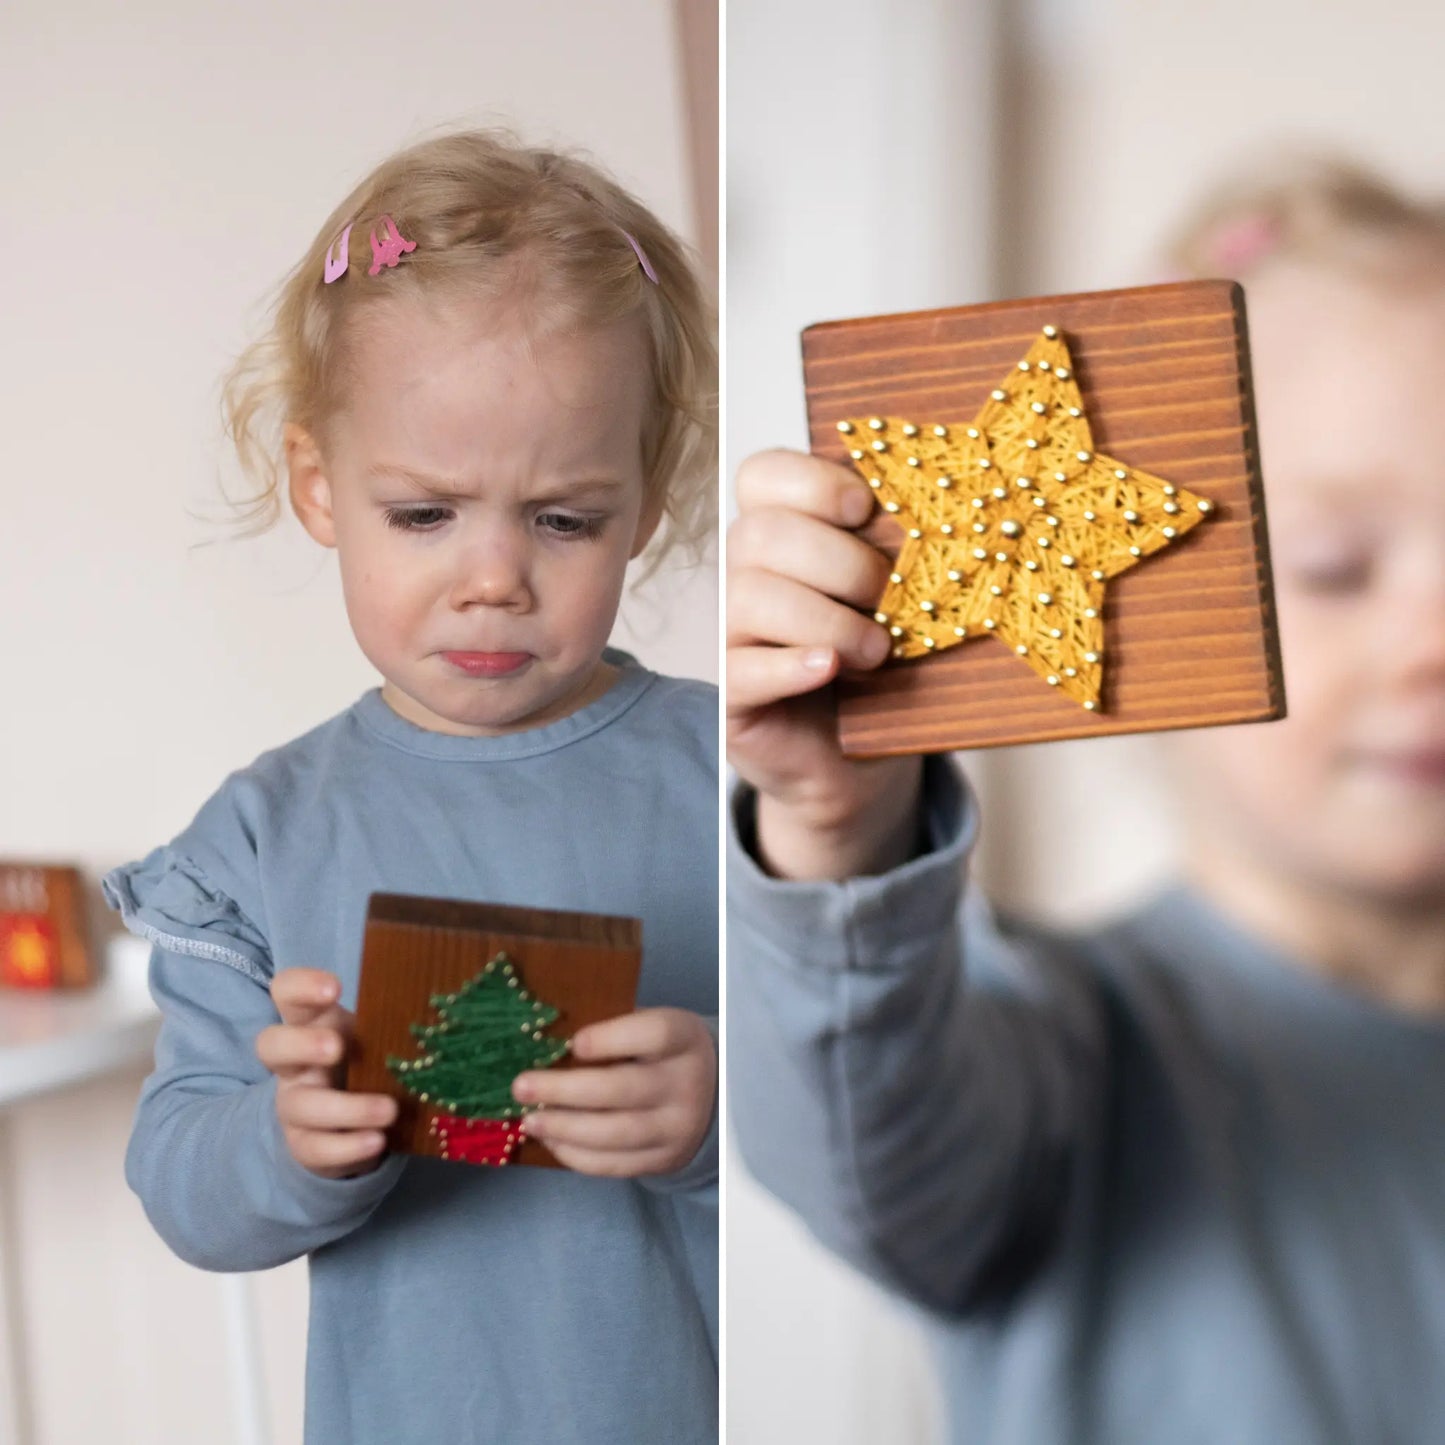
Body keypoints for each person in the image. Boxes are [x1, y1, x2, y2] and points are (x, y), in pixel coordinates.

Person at [727, 154, 1445, 1444]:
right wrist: (839, 831)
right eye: (1337, 567)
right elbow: (867, 1137)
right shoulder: (1063, 1053)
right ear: (1156, 603)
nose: (1429, 640)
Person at [105, 129, 718, 1445]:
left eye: (563, 518)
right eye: (425, 514)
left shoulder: (738, 777)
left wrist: (732, 1113)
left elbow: (890, 1123)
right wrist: (288, 1139)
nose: (492, 575)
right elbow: (181, 1184)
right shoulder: (262, 839)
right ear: (320, 488)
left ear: (645, 503)